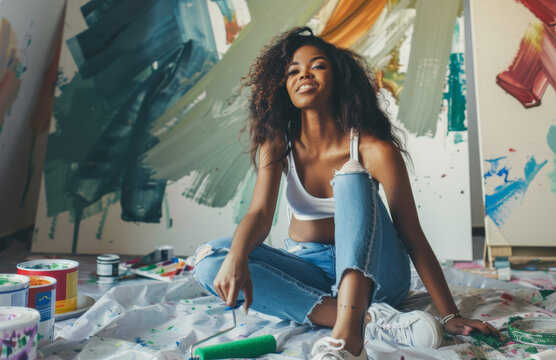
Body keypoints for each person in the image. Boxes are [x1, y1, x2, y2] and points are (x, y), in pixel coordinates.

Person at [193, 26, 500, 360]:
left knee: (351, 177)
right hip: (312, 268)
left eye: (317, 65)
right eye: (293, 70)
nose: (304, 74)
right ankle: (371, 320)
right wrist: (237, 258)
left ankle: (347, 340)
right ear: (283, 87)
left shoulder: (372, 149)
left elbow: (412, 236)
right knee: (210, 261)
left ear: (338, 76)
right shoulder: (277, 144)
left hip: (379, 276)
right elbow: (259, 215)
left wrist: (450, 315)